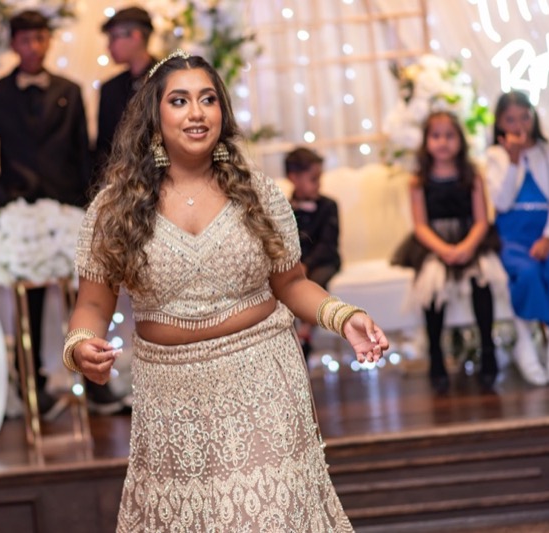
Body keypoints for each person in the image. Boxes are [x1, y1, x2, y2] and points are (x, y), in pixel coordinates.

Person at [64, 50, 388, 532]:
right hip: (170, 397)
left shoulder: (257, 193)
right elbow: (93, 302)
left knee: (265, 518)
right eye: (179, 101)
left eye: (208, 99)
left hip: (262, 379)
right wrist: (80, 345)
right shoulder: (115, 208)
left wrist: (343, 317)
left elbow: (292, 283)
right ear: (154, 116)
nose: (196, 113)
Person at [0, 10, 95, 415]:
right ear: (13, 44)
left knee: (88, 296)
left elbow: (83, 152)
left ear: (48, 41)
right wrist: (3, 202)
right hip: (21, 212)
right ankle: (31, 383)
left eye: (40, 38)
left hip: (66, 208)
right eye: (26, 40)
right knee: (32, 303)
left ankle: (95, 383)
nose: (34, 47)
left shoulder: (70, 90)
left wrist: (84, 204)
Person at [393, 111, 506, 393]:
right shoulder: (418, 181)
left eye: (449, 136)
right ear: (426, 141)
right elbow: (420, 226)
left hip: (470, 238)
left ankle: (488, 349)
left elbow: (481, 220)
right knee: (432, 283)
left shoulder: (472, 176)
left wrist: (467, 247)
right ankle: (436, 354)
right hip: (434, 242)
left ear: (460, 141)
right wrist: (444, 250)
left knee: (481, 279)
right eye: (436, 136)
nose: (442, 142)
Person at [486, 91, 549, 385]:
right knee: (526, 272)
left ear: (533, 117)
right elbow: (501, 202)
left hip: (547, 232)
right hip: (513, 234)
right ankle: (525, 342)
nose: (519, 125)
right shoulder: (495, 156)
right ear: (499, 123)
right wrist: (513, 161)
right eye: (510, 119)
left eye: (524, 117)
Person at [285, 147, 341, 356]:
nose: (319, 184)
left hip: (324, 261)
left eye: (319, 178)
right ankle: (292, 340)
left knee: (314, 282)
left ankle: (306, 332)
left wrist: (306, 264)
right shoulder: (284, 208)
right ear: (294, 178)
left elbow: (328, 244)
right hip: (296, 263)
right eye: (313, 179)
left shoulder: (329, 206)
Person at [95, 6, 157, 182]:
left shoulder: (167, 81)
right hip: (117, 183)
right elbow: (103, 148)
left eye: (114, 37)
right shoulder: (110, 88)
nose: (109, 46)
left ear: (136, 36)